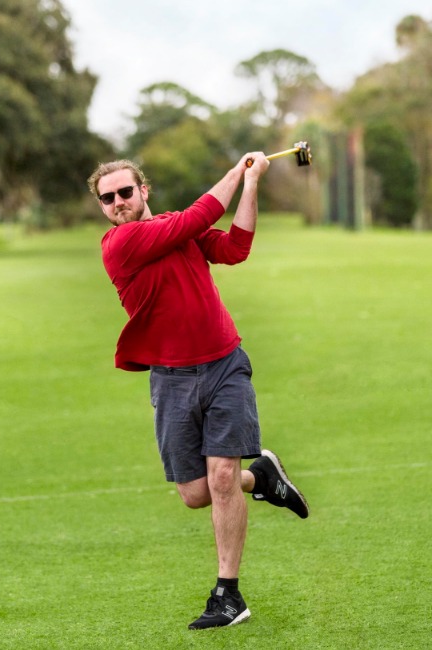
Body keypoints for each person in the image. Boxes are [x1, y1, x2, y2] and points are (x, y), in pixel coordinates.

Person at [87, 154, 310, 630]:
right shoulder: (120, 244)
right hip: (170, 380)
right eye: (108, 198)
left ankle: (228, 596)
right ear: (102, 208)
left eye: (125, 192)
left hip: (224, 365)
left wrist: (250, 183)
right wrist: (234, 169)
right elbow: (201, 215)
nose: (118, 203)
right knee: (195, 493)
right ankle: (264, 479)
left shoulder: (175, 227)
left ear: (143, 191)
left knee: (223, 478)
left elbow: (236, 247)